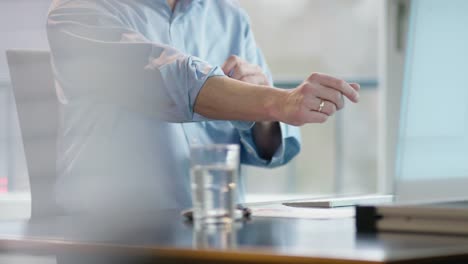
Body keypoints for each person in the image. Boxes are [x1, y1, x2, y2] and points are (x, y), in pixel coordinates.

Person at [47, 0, 360, 214]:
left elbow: (269, 151)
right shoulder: (79, 11)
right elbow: (169, 79)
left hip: (217, 235)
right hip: (112, 237)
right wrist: (276, 101)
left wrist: (262, 106)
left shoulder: (229, 17)